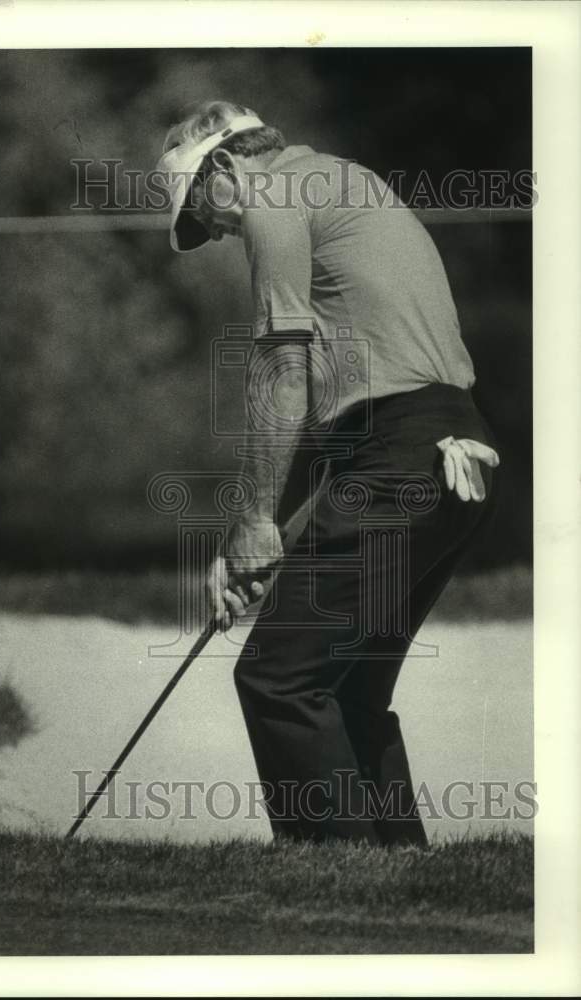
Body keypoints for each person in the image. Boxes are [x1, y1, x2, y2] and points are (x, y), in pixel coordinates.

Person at [157, 101, 500, 845]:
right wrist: (258, 534)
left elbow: (283, 371)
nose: (213, 232)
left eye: (200, 210)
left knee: (278, 680)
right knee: (348, 691)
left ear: (223, 166)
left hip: (401, 457)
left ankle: (332, 878)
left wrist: (253, 523)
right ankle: (398, 890)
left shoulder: (276, 195)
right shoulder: (341, 180)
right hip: (453, 455)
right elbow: (337, 411)